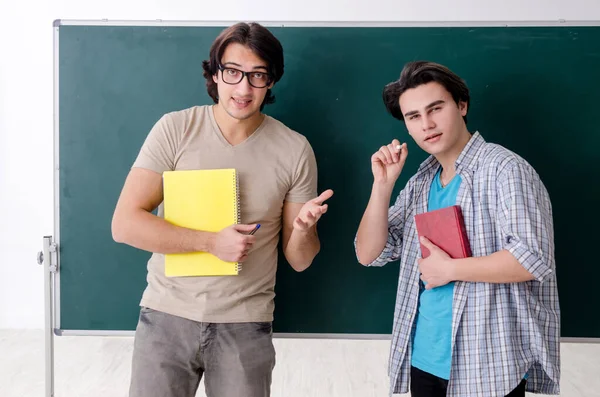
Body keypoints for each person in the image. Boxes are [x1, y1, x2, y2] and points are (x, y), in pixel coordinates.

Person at [111, 22, 333, 397]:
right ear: (215, 73)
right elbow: (125, 224)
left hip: (245, 325)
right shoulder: (175, 129)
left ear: (272, 82)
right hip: (166, 316)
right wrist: (210, 242)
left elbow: (300, 259)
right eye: (233, 72)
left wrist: (305, 228)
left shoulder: (295, 149)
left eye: (258, 75)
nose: (244, 88)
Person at [354, 61, 560, 397]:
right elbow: (369, 253)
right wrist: (382, 186)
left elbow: (533, 259)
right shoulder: (420, 183)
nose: (427, 124)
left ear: (461, 105)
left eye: (436, 109)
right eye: (414, 117)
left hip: (488, 365)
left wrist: (450, 269)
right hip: (423, 359)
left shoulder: (505, 169)